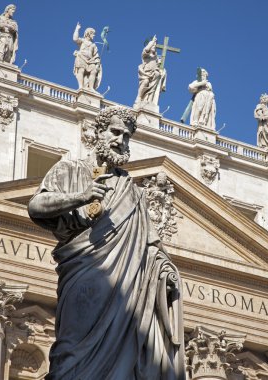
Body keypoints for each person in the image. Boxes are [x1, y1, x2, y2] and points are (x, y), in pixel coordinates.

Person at [28, 106, 186, 380]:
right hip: (84, 276)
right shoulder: (71, 169)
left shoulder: (134, 193)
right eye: (115, 131)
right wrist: (80, 197)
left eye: (126, 136)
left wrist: (165, 273)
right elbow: (36, 205)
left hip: (128, 291)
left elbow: (150, 247)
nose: (120, 140)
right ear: (98, 132)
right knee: (71, 356)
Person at [135, 36, 166, 106]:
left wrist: (160, 64)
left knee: (154, 86)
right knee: (145, 82)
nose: (154, 47)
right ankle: (139, 96)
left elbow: (158, 65)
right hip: (145, 74)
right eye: (153, 46)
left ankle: (149, 100)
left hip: (154, 75)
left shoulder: (156, 57)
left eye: (155, 46)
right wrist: (152, 42)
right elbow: (146, 49)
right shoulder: (145, 55)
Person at [73, 22, 102, 91]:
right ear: (88, 33)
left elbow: (96, 55)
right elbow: (75, 39)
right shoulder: (83, 40)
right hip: (81, 57)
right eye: (93, 34)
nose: (94, 35)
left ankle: (91, 88)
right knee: (81, 70)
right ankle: (81, 87)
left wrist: (97, 62)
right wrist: (77, 29)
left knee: (94, 71)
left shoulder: (93, 45)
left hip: (91, 60)